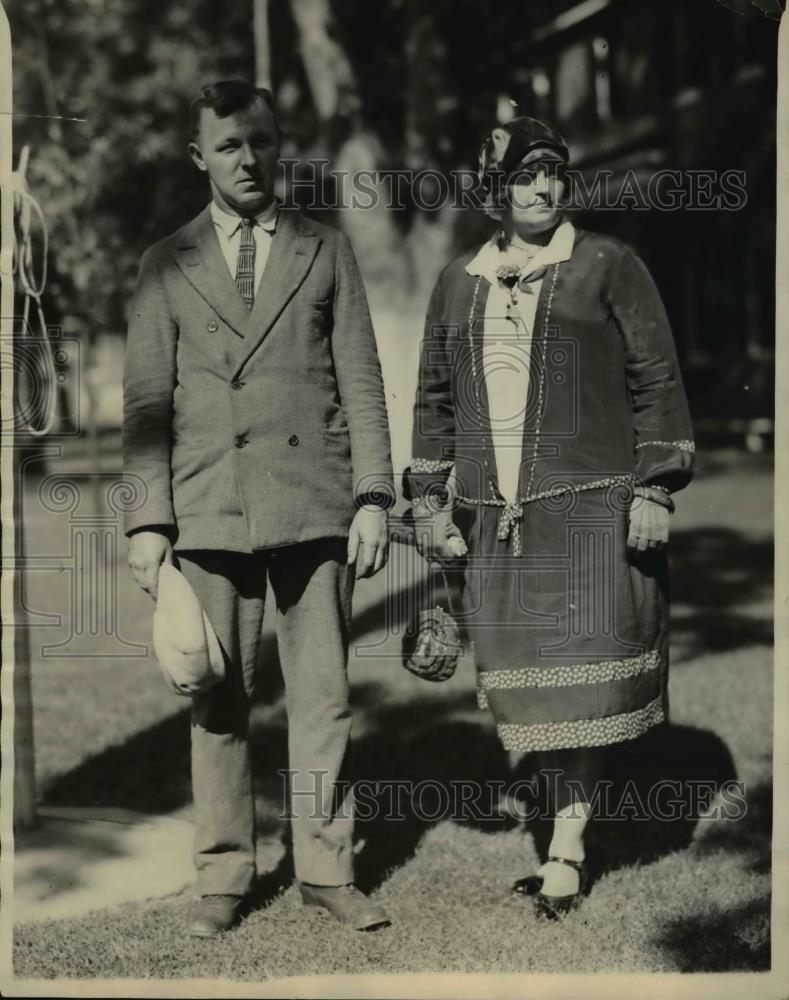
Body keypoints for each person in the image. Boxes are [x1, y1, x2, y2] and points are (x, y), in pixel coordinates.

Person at [123, 79, 395, 936]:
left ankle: (324, 869)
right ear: (199, 156)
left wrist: (374, 496)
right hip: (210, 511)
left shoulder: (324, 248)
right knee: (218, 698)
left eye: (262, 141)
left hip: (314, 505)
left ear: (281, 146)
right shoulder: (165, 263)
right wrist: (146, 522)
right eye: (230, 145)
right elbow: (144, 407)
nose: (250, 159)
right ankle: (223, 876)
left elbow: (361, 381)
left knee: (322, 698)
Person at [404, 116, 694, 919]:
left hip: (593, 513)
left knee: (581, 693)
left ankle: (566, 844)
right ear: (493, 190)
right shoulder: (459, 280)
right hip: (495, 520)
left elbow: (656, 379)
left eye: (553, 175)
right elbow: (431, 400)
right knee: (529, 695)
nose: (542, 189)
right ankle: (562, 821)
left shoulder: (608, 265)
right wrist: (428, 501)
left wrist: (654, 485)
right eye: (525, 177)